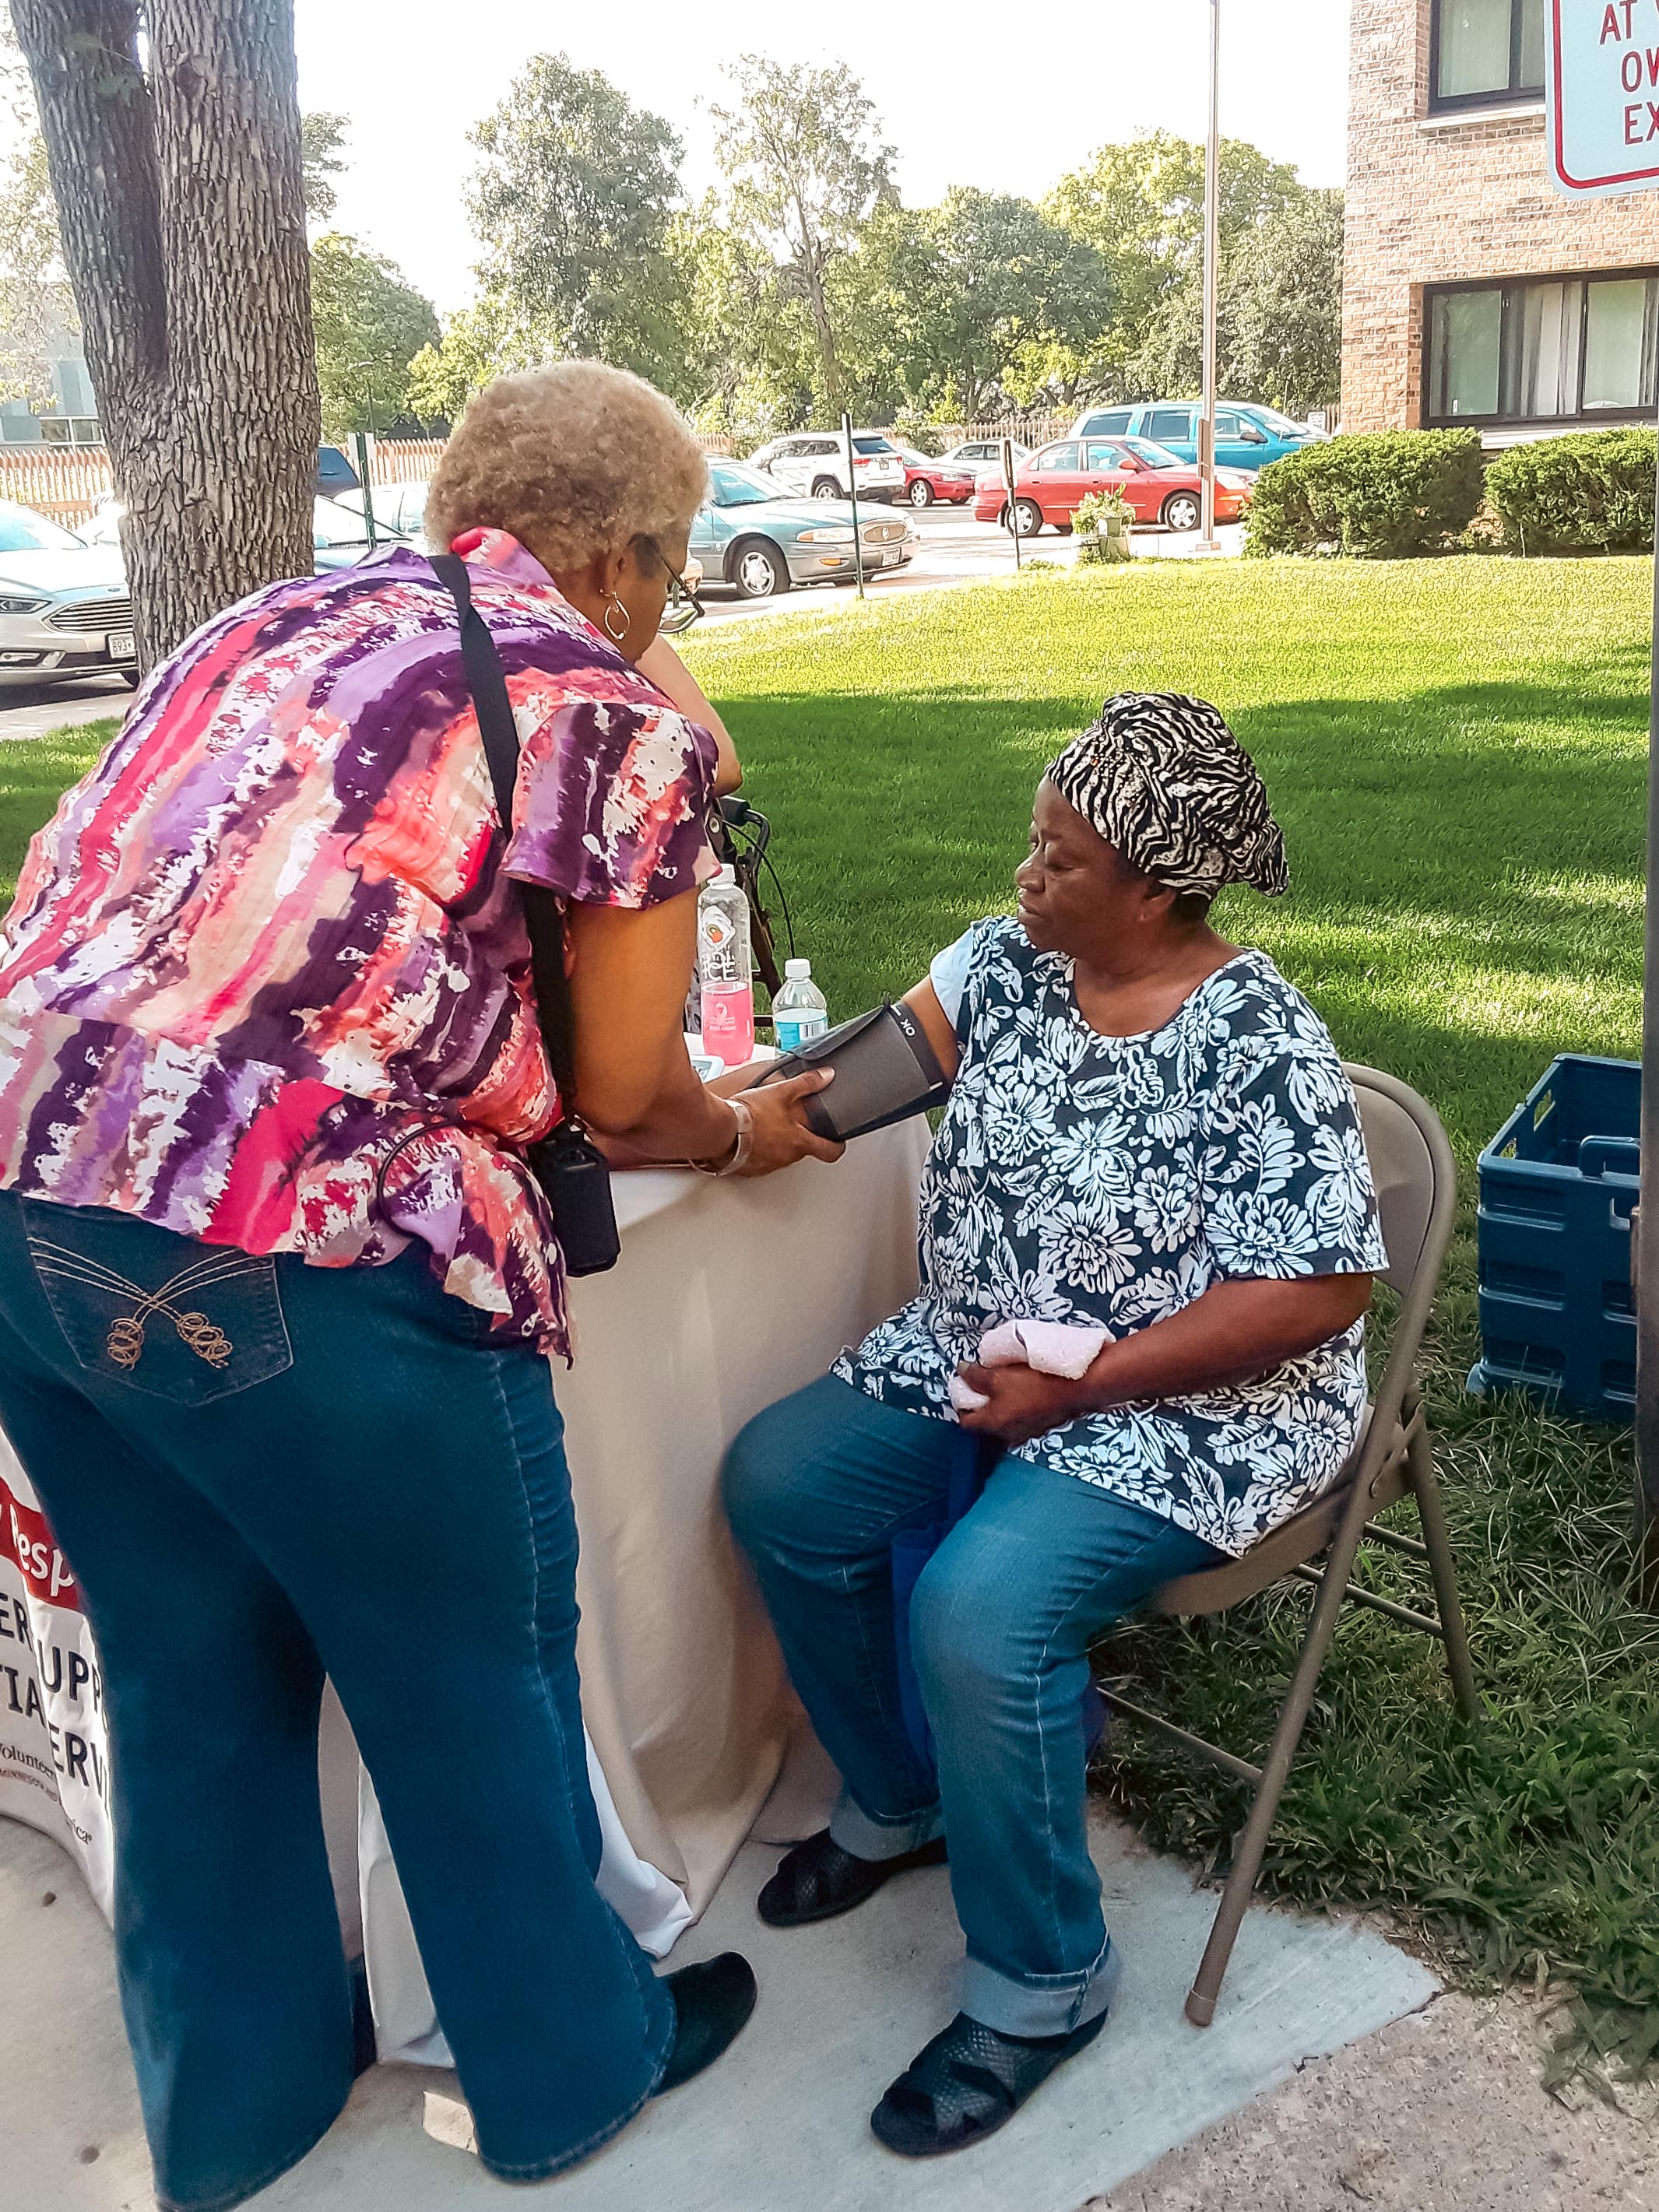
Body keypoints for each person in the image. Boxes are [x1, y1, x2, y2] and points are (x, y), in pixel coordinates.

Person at [0, 360, 842, 2212]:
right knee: (469, 1679)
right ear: (624, 561)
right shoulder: (597, 704)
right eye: (674, 572)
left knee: (191, 1680)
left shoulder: (274, 611)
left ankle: (239, 2115)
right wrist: (742, 1134)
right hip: (301, 1236)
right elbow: (630, 1089)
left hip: (34, 1190)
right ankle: (567, 2071)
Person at [725, 693, 1388, 2158]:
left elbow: (1323, 1288)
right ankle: (902, 1801)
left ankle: (1043, 1981)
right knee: (781, 1485)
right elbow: (862, 1071)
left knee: (982, 1607)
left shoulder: (1255, 1032)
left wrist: (1087, 1382)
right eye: (1031, 841)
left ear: (1153, 889)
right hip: (983, 1341)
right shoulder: (1018, 961)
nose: (1025, 875)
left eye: (1059, 857)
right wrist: (722, 1112)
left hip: (1190, 1397)